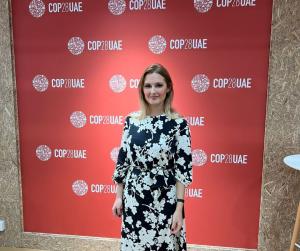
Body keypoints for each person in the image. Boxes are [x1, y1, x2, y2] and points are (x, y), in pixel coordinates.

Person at [112, 63, 193, 251]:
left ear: (168, 88)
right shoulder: (131, 121)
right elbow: (123, 160)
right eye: (148, 86)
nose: (153, 91)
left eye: (158, 85)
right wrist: (118, 196)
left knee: (165, 245)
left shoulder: (178, 124)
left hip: (165, 198)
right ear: (141, 89)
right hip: (134, 197)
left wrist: (179, 208)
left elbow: (182, 169)